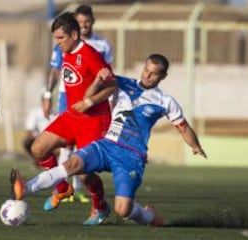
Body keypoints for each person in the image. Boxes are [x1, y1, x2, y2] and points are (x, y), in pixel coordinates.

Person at [11, 53, 207, 226]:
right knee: (72, 164)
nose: (147, 75)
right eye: (146, 70)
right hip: (106, 145)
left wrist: (195, 146)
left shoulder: (165, 101)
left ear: (163, 76)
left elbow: (183, 127)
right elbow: (89, 96)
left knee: (122, 209)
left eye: (154, 73)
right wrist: (97, 80)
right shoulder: (121, 83)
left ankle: (149, 216)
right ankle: (25, 189)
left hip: (131, 156)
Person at [12, 12, 118, 225]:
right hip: (72, 116)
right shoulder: (65, 51)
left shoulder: (91, 55)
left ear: (74, 34)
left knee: (83, 173)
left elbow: (113, 85)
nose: (58, 43)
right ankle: (61, 187)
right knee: (38, 148)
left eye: (61, 38)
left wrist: (89, 102)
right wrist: (47, 95)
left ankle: (100, 206)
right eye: (55, 38)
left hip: (94, 119)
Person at [43, 4, 114, 204]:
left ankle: (82, 188)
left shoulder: (100, 46)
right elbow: (56, 70)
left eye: (86, 22)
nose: (84, 25)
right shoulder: (63, 45)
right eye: (80, 21)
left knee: (83, 163)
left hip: (92, 107)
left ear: (92, 22)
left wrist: (93, 98)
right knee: (63, 146)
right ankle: (64, 187)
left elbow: (108, 76)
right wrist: (48, 93)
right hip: (68, 98)